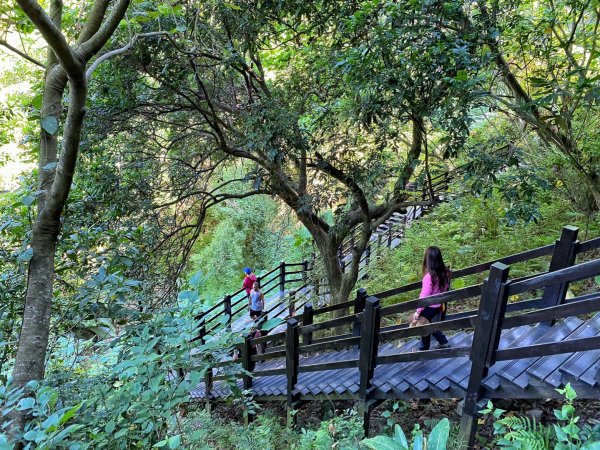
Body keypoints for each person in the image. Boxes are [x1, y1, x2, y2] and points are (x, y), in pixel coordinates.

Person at [410, 246, 451, 351]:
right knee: (426, 323)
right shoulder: (446, 271)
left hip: (431, 305)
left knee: (421, 322)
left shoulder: (429, 276)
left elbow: (424, 295)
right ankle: (441, 342)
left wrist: (418, 311)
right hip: (439, 304)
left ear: (428, 259)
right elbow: (446, 287)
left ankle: (425, 348)